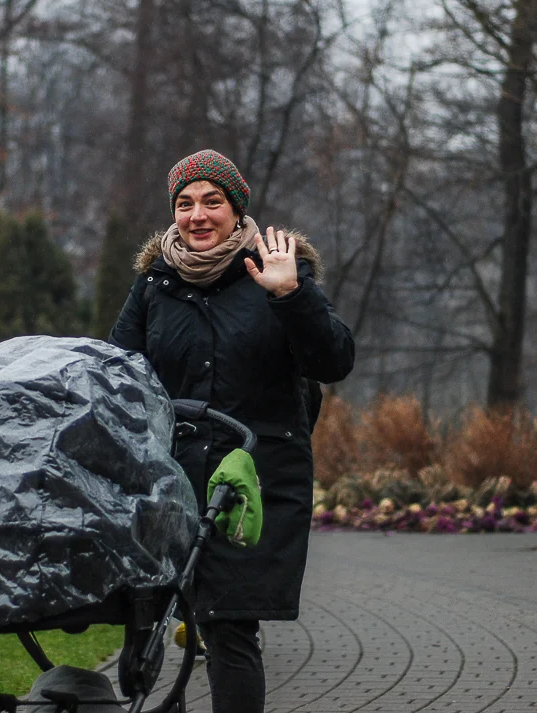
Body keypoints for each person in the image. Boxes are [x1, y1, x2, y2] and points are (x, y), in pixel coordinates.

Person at [110, 150, 355, 713]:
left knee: (229, 627)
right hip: (168, 482)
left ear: (237, 209)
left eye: (212, 201)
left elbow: (333, 361)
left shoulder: (278, 272)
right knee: (145, 619)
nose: (197, 215)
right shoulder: (154, 284)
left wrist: (291, 296)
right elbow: (118, 373)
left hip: (251, 483)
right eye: (184, 204)